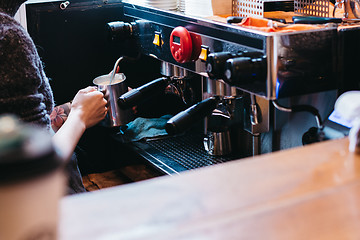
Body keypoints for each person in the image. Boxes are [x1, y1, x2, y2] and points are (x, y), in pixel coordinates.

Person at [0, 0, 108, 194]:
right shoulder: (7, 39)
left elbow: (19, 128)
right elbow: (31, 170)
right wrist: (80, 115)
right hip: (45, 210)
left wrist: (73, 107)